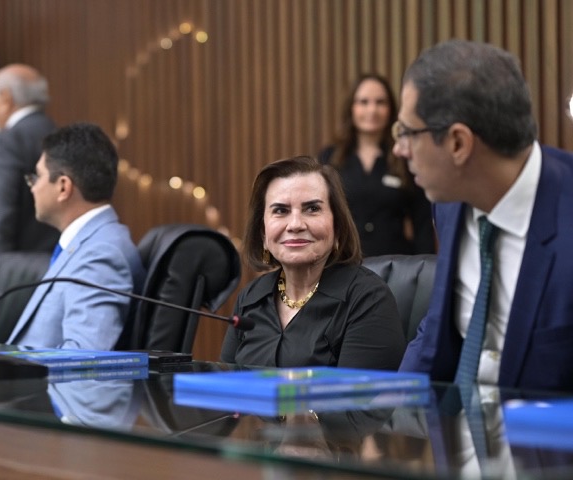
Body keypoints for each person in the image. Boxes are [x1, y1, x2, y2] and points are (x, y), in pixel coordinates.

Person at [395, 40, 573, 391]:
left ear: (458, 144)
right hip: (458, 435)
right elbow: (439, 328)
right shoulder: (447, 200)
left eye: (407, 133)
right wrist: (390, 418)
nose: (399, 149)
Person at [221, 156, 405, 369]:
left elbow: (355, 401)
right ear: (263, 233)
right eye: (280, 210)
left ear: (337, 227)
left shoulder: (368, 299)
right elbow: (223, 387)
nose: (296, 224)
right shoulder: (251, 297)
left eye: (312, 209)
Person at [7, 123, 146, 350]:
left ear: (63, 187)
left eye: (38, 176)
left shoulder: (102, 254)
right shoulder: (88, 244)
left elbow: (82, 358)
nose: (32, 187)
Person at [318, 74, 434, 257]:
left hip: (394, 267)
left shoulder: (404, 156)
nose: (372, 110)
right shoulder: (330, 158)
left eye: (380, 102)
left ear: (391, 109)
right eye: (363, 102)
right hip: (343, 265)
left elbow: (423, 223)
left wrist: (426, 269)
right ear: (351, 108)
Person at [0, 64, 59, 282]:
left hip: (11, 283)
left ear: (5, 98)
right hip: (56, 274)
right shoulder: (59, 135)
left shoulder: (8, 142)